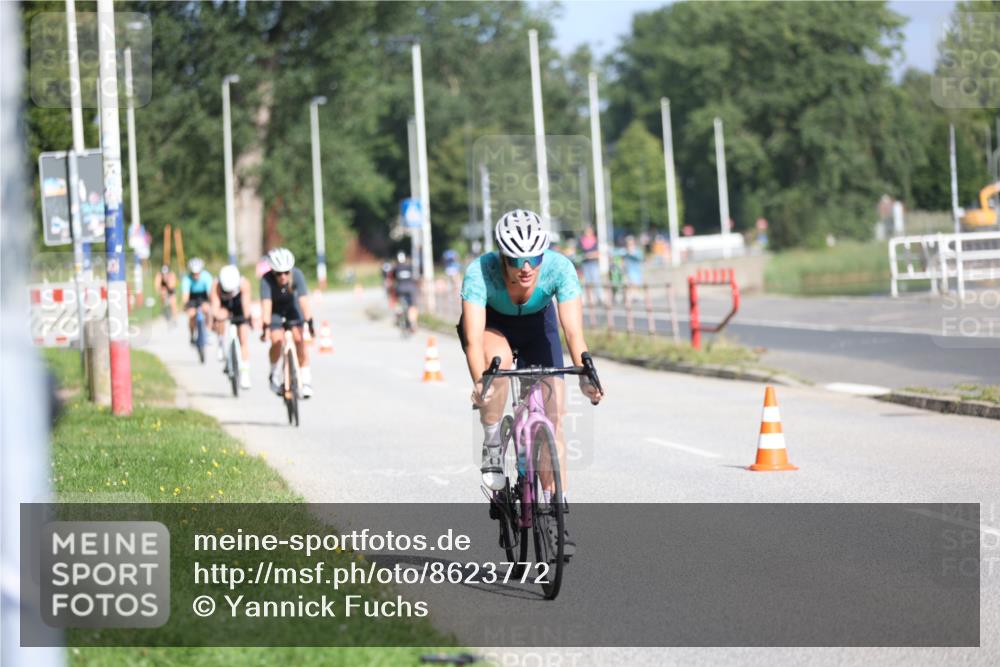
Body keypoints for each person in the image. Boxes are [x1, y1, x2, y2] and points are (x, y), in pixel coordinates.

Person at [458, 209, 604, 557]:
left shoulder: (559, 269)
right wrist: (481, 383)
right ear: (503, 256)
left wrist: (587, 373)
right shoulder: (480, 273)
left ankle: (556, 511)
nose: (526, 266)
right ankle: (492, 447)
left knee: (554, 423)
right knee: (498, 368)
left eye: (534, 257)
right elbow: (473, 341)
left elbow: (573, 331)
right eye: (517, 258)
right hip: (494, 330)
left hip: (540, 329)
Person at [259, 247, 315, 398]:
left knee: (299, 340)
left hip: (292, 308)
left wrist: (309, 322)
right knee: (277, 340)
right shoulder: (266, 279)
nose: (283, 276)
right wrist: (265, 327)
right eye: (278, 273)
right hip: (275, 311)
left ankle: (306, 379)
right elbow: (266, 305)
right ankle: (274, 373)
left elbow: (303, 300)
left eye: (286, 272)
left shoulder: (297, 275)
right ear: (272, 272)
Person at [210, 264, 253, 389]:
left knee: (243, 338)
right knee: (220, 319)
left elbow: (246, 307)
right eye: (226, 291)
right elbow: (215, 307)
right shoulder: (216, 286)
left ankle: (245, 373)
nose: (229, 293)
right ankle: (221, 343)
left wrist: (247, 319)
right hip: (224, 306)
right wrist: (217, 317)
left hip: (239, 306)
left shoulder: (244, 284)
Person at [181, 258, 213, 345]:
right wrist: (186, 305)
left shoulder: (206, 276)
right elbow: (185, 296)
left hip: (203, 296)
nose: (196, 276)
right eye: (194, 274)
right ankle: (192, 335)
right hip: (192, 297)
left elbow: (210, 293)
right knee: (191, 314)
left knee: (207, 310)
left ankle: (208, 332)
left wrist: (211, 302)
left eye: (197, 273)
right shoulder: (186, 279)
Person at [390, 251, 419, 332]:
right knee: (412, 306)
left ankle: (398, 315)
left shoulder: (395, 268)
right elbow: (415, 277)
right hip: (410, 288)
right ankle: (413, 322)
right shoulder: (410, 266)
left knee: (398, 302)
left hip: (400, 289)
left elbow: (392, 279)